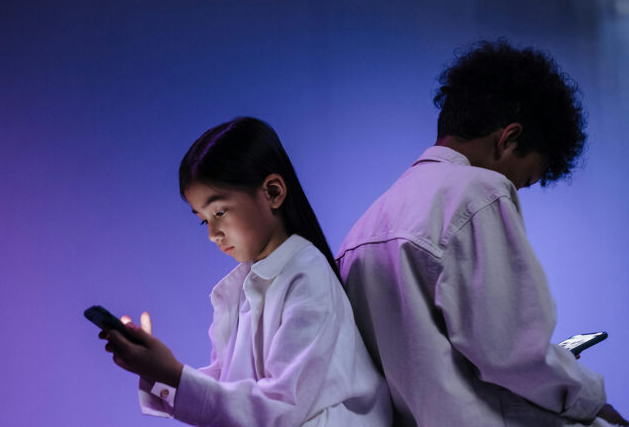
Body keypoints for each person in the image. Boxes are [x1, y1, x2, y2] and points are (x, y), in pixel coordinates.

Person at [337, 40, 628, 427]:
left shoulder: (363, 229)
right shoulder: (478, 194)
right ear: (508, 139)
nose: (515, 190)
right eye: (524, 181)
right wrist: (591, 399)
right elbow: (514, 354)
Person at [98, 117, 392, 426]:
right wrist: (156, 370)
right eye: (203, 219)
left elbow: (281, 406)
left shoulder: (307, 276)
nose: (212, 233)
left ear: (273, 192)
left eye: (219, 212)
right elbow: (228, 392)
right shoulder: (239, 291)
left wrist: (171, 373)